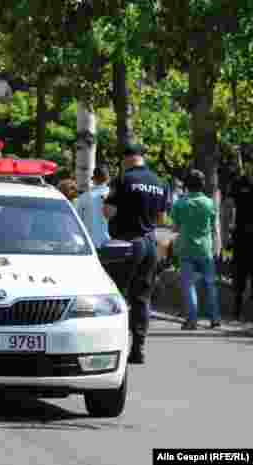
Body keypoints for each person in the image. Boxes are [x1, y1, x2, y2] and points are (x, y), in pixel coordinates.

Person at [103, 143, 168, 364]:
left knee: (117, 295)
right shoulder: (160, 183)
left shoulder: (122, 180)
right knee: (142, 298)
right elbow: (161, 220)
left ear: (126, 159)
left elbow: (108, 212)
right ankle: (138, 347)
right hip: (150, 244)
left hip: (127, 244)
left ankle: (113, 345)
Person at [171, 169, 221, 330]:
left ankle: (191, 320)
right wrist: (217, 245)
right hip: (205, 248)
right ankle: (215, 318)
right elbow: (215, 227)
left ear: (186, 185)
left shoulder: (180, 203)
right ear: (202, 184)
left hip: (186, 248)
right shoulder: (209, 203)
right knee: (210, 284)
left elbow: (175, 227)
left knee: (189, 285)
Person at [227, 170, 253, 320]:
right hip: (241, 236)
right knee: (239, 275)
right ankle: (236, 312)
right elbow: (229, 208)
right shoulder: (238, 183)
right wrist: (228, 233)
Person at [75, 164, 112, 248]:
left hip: (90, 243)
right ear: (108, 179)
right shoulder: (114, 195)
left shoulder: (84, 197)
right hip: (111, 243)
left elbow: (77, 221)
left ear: (94, 179)